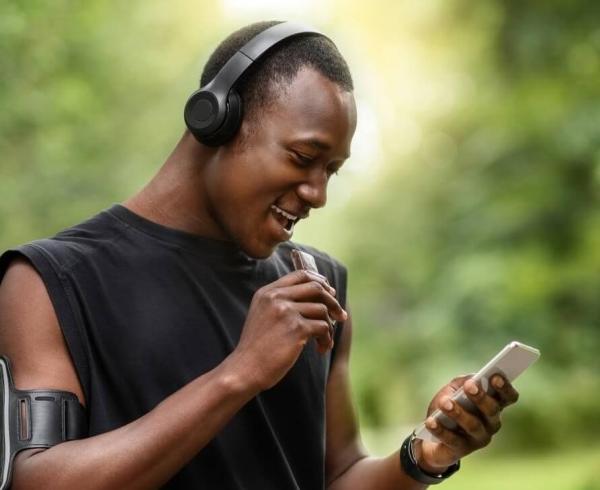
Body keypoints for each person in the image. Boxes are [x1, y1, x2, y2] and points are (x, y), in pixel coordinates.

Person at [0, 20, 519, 489]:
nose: (318, 193)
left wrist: (423, 456)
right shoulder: (48, 282)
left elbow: (338, 475)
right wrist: (240, 373)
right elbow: (39, 481)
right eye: (303, 157)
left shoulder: (317, 286)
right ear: (216, 119)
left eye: (330, 171)